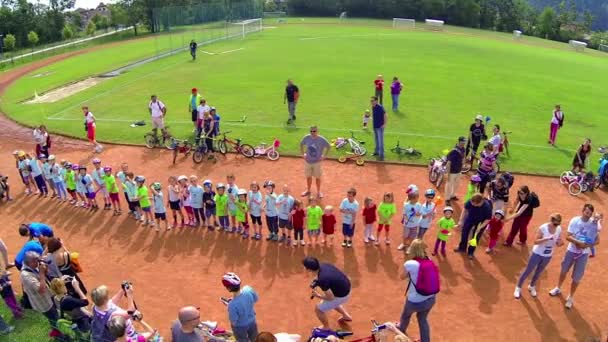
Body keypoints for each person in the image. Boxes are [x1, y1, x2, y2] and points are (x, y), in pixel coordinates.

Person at [549, 204, 601, 309]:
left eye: (590, 214)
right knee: (563, 271)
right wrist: (578, 242)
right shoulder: (575, 221)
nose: (588, 215)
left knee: (577, 277)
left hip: (583, 255)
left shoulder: (593, 224)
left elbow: (597, 241)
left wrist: (587, 245)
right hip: (571, 251)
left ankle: (570, 297)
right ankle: (558, 288)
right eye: (586, 212)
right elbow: (568, 236)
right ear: (583, 211)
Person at [514, 213, 563, 299]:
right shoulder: (543, 228)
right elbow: (536, 241)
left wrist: (560, 243)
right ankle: (518, 288)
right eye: (555, 223)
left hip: (548, 255)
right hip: (537, 253)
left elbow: (559, 241)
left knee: (539, 271)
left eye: (558, 224)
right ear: (551, 220)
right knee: (528, 270)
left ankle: (532, 286)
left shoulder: (558, 229)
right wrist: (546, 239)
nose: (556, 226)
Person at [399, 239, 437, 342]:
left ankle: (401, 330)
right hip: (431, 299)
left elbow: (402, 277)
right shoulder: (429, 260)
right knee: (422, 319)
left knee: (406, 315)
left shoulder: (410, 263)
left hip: (415, 301)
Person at [302, 257, 352, 329]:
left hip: (342, 295)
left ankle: (326, 327)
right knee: (333, 303)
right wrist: (317, 280)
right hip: (346, 286)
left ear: (309, 269)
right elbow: (331, 276)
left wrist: (318, 295)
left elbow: (331, 298)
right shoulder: (325, 265)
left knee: (318, 309)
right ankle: (346, 316)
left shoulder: (323, 279)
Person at [20, 252, 59, 332]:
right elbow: (41, 290)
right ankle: (58, 335)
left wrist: (45, 269)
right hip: (43, 302)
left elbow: (45, 276)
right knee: (54, 319)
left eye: (37, 260)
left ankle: (57, 332)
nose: (37, 263)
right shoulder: (26, 275)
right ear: (28, 262)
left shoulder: (33, 266)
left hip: (48, 296)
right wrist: (41, 273)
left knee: (55, 315)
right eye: (34, 261)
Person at [222, 273, 259, 342]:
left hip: (240, 327)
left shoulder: (232, 305)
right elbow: (256, 299)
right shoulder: (248, 289)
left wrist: (229, 306)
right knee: (255, 339)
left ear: (228, 288)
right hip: (252, 321)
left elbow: (233, 321)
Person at [454, 193, 492, 259]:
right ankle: (462, 247)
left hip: (481, 222)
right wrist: (461, 220)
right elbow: (465, 210)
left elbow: (488, 219)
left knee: (475, 237)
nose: (473, 205)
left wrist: (480, 227)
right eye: (472, 203)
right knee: (464, 232)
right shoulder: (471, 201)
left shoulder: (487, 207)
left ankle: (471, 252)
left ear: (481, 202)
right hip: (470, 218)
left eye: (475, 204)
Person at [300, 126, 330, 198]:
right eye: (311, 131)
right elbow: (301, 144)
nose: (312, 133)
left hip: (317, 162)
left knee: (318, 177)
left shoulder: (321, 139)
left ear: (317, 131)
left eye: (314, 131)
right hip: (308, 161)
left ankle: (319, 192)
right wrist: (303, 153)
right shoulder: (306, 137)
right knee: (308, 177)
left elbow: (328, 146)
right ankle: (308, 190)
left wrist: (324, 156)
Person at [444, 137, 466, 204]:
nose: (464, 143)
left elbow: (463, 157)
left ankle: (452, 195)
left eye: (464, 142)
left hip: (458, 171)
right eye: (463, 142)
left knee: (456, 184)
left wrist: (462, 165)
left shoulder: (463, 149)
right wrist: (448, 174)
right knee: (449, 185)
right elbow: (448, 163)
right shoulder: (453, 151)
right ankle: (447, 199)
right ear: (459, 142)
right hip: (452, 172)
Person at [371, 96, 387, 161]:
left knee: (381, 141)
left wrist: (384, 124)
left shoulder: (380, 107)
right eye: (371, 101)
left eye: (372, 100)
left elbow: (385, 115)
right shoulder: (373, 107)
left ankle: (382, 156)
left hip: (380, 127)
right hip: (375, 126)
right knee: (376, 140)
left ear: (376, 101)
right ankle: (376, 152)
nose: (371, 102)